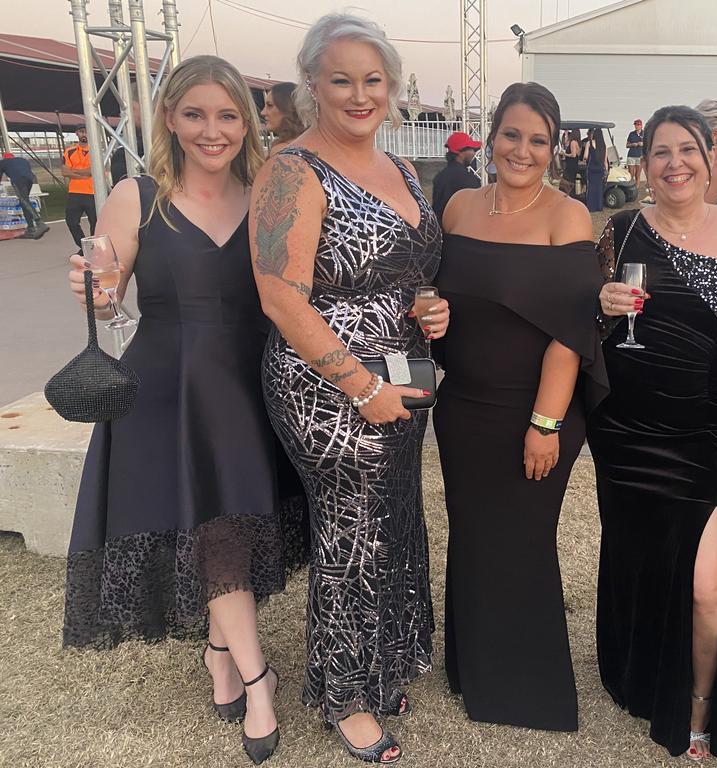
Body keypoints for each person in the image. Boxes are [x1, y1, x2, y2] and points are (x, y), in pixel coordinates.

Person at [62, 55, 306, 766]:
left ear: (249, 120)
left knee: (226, 527)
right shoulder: (137, 197)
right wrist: (93, 290)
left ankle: (217, 652)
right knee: (216, 526)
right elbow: (109, 299)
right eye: (195, 113)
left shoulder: (267, 191)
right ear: (168, 117)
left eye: (227, 114)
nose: (212, 129)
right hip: (173, 389)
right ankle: (256, 681)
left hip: (254, 384)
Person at [250, 13, 448, 765]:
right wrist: (362, 387)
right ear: (313, 85)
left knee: (392, 523)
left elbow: (406, 270)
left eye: (373, 80)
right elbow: (281, 297)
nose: (359, 94)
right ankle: (346, 695)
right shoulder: (292, 170)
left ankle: (384, 660)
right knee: (352, 535)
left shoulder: (397, 168)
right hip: (328, 386)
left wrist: (430, 306)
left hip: (402, 377)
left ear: (391, 87)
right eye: (341, 79)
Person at [589, 105, 717, 760]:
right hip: (624, 427)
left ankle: (701, 700)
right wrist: (601, 302)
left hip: (702, 427)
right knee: (636, 554)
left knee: (705, 582)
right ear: (644, 166)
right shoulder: (618, 231)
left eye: (687, 150)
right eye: (660, 153)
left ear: (709, 157)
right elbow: (586, 329)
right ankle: (635, 671)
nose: (674, 163)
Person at [433, 81, 608, 732]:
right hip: (464, 408)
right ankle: (471, 667)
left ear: (554, 148)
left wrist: (545, 423)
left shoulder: (568, 217)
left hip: (534, 410)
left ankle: (524, 686)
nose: (523, 150)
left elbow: (570, 330)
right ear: (492, 136)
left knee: (522, 542)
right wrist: (432, 315)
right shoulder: (456, 208)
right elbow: (445, 301)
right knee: (472, 537)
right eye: (512, 134)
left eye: (538, 140)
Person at [431, 130, 481, 220]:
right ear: (459, 153)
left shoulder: (440, 177)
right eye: (471, 149)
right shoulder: (468, 179)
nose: (474, 153)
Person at [62, 125, 97, 253]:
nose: (84, 135)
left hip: (92, 191)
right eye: (82, 132)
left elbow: (92, 171)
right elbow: (65, 172)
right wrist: (84, 173)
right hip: (75, 192)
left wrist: (74, 171)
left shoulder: (95, 150)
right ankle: (84, 247)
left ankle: (93, 248)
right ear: (76, 133)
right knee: (71, 221)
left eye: (87, 132)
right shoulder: (70, 151)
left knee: (95, 222)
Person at [0, 152, 49, 238]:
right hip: (29, 179)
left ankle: (39, 223)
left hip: (18, 180)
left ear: (4, 158)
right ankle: (31, 229)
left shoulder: (3, 162)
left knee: (24, 200)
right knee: (24, 202)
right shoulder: (22, 160)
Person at [261, 81, 305, 156]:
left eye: (270, 105)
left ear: (288, 108)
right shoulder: (312, 144)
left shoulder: (282, 150)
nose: (263, 112)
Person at [583, 127, 607, 213]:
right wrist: (606, 171)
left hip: (592, 168)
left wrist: (585, 159)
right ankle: (599, 206)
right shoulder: (604, 145)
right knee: (599, 188)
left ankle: (591, 207)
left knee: (591, 187)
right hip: (600, 169)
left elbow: (585, 156)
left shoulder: (589, 143)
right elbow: (605, 161)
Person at [625, 118, 644, 193]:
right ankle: (630, 188)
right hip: (631, 155)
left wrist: (642, 144)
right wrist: (633, 144)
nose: (636, 126)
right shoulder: (631, 134)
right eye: (635, 125)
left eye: (637, 125)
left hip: (640, 156)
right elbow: (627, 145)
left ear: (641, 125)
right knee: (631, 174)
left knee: (637, 174)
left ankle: (636, 189)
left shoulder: (644, 134)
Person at [561, 127, 582, 196]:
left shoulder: (573, 142)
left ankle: (566, 195)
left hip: (570, 164)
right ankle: (572, 195)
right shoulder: (578, 143)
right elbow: (578, 154)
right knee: (572, 180)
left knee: (566, 180)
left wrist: (565, 154)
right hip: (575, 164)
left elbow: (573, 155)